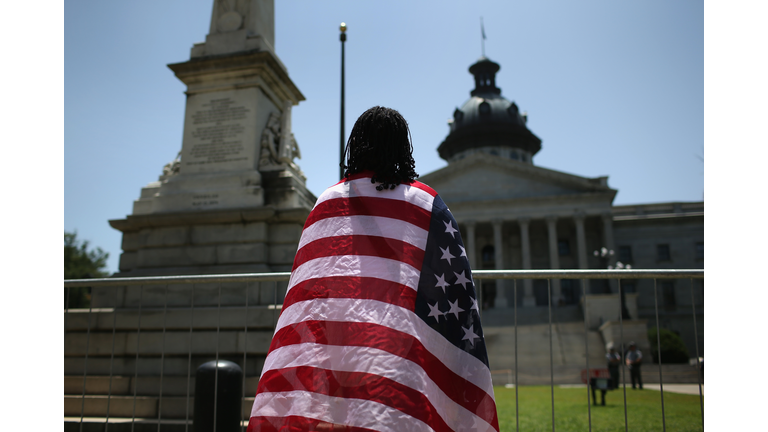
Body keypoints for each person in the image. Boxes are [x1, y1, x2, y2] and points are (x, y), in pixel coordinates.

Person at [246, 107, 499, 431]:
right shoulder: (428, 204)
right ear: (402, 148)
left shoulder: (327, 201)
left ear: (357, 145)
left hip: (335, 354)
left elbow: (308, 295)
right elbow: (454, 293)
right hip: (399, 355)